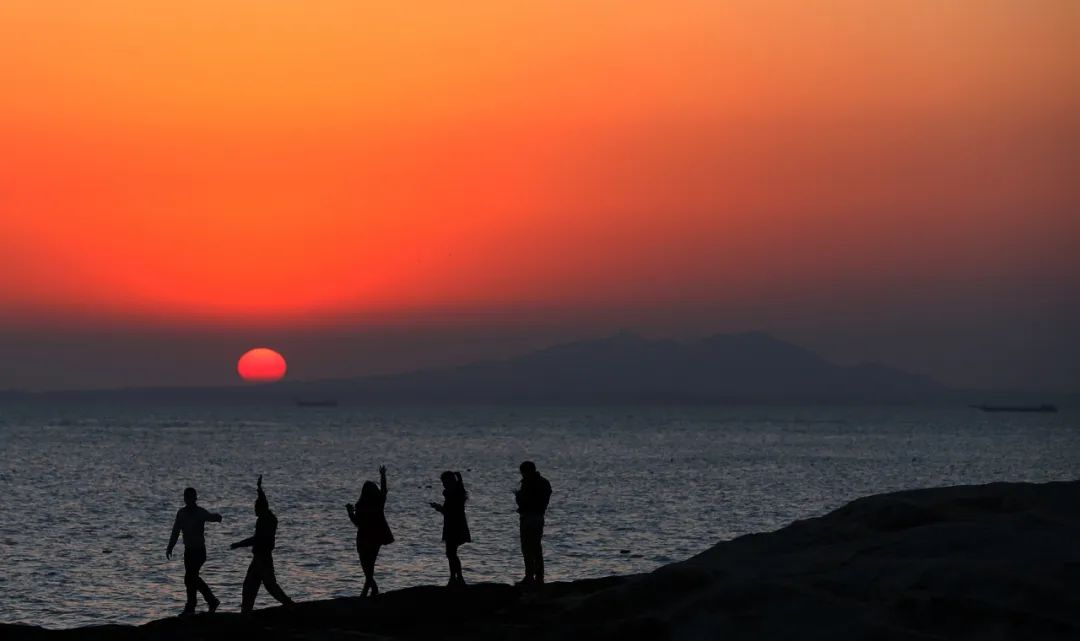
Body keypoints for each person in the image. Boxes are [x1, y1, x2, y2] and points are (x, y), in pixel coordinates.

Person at [230, 475, 295, 612]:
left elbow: (256, 539)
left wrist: (239, 544)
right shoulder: (267, 517)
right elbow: (263, 501)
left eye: (256, 507)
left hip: (263, 558)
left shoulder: (265, 520)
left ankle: (289, 605)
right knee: (250, 586)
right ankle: (246, 611)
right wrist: (259, 488)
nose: (254, 510)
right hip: (259, 558)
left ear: (260, 508)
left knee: (268, 586)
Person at [166, 487, 222, 616]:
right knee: (190, 578)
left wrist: (217, 517)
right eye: (188, 498)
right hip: (188, 552)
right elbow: (175, 531)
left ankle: (201, 603)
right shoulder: (181, 513)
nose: (190, 501)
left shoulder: (200, 512)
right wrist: (170, 547)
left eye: (192, 498)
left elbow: (211, 517)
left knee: (190, 577)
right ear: (185, 499)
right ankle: (198, 604)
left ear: (195, 499)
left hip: (199, 552)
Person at [346, 465, 394, 597]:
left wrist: (350, 513)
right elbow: (383, 491)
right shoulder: (377, 503)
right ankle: (371, 589)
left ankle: (368, 591)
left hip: (365, 538)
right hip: (374, 538)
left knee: (366, 566)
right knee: (369, 566)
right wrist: (383, 475)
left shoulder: (363, 506)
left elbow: (357, 522)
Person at [430, 470, 470, 587]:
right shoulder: (456, 492)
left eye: (444, 482)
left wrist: (438, 507)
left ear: (449, 481)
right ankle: (456, 578)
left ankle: (456, 578)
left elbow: (449, 512)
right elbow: (449, 511)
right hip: (455, 525)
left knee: (451, 553)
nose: (443, 485)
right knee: (451, 553)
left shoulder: (453, 494)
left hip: (454, 527)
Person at [515, 461, 552, 586]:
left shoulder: (529, 483)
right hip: (538, 517)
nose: (522, 475)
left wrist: (518, 496)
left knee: (527, 548)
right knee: (536, 547)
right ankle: (538, 576)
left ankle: (530, 576)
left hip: (529, 517)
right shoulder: (544, 482)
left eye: (523, 472)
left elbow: (525, 501)